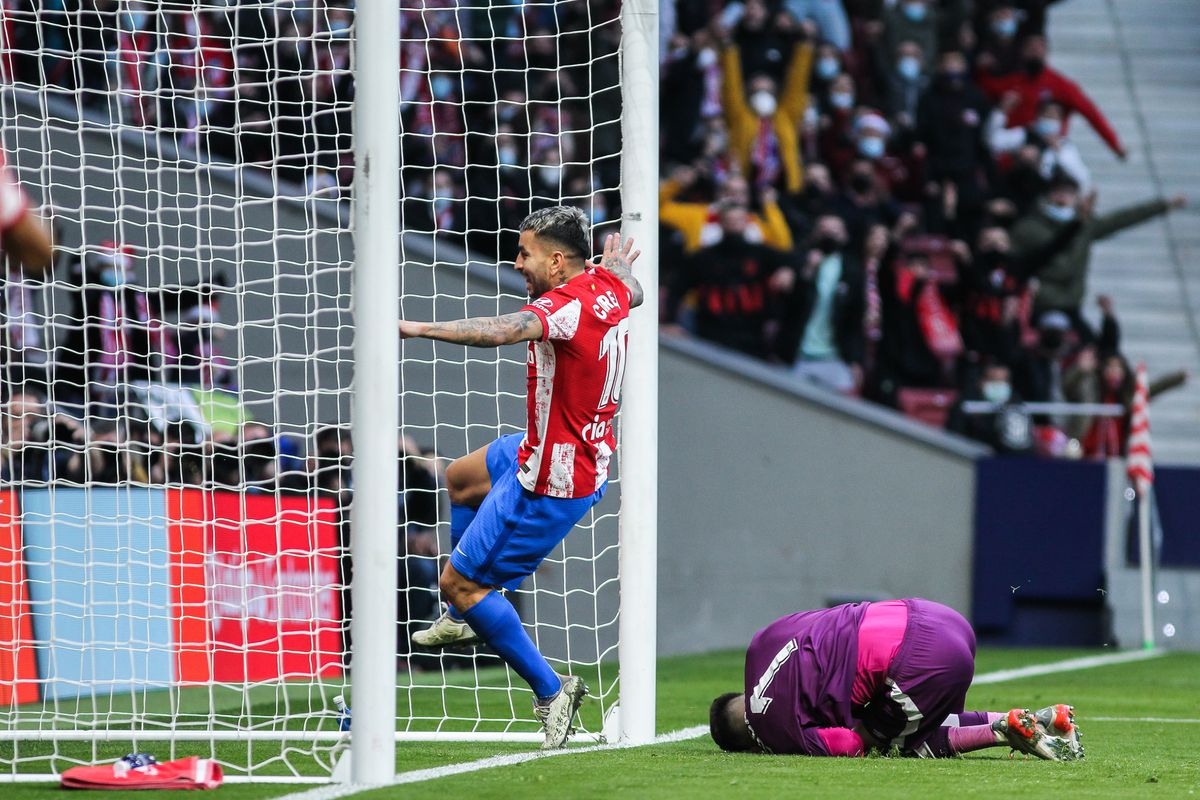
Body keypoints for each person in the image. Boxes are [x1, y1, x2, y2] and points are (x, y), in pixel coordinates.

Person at [398, 207, 643, 749]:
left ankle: (551, 690)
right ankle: (466, 614)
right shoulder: (606, 285)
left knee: (459, 582)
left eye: (525, 253)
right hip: (548, 446)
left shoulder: (561, 305)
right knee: (459, 479)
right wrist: (621, 270)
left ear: (557, 263)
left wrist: (416, 327)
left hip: (553, 476)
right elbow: (637, 293)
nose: (517, 263)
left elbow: (501, 331)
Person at [709, 599, 1084, 760]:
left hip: (920, 660)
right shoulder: (760, 643)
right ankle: (1041, 718)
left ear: (750, 748)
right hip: (934, 616)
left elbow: (849, 744)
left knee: (891, 741)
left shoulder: (776, 734)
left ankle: (1002, 729)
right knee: (916, 715)